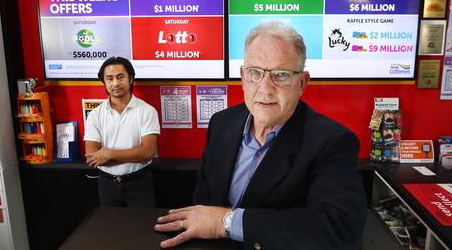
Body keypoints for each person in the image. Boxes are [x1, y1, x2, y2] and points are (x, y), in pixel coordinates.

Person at [155, 21, 366, 249]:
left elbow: (339, 229)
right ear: (243, 76)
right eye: (255, 72)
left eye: (281, 74)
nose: (265, 88)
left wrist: (226, 222)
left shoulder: (332, 142)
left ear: (302, 82)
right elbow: (204, 204)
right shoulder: (221, 123)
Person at [84, 56, 160, 207]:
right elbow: (93, 157)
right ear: (104, 82)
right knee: (111, 229)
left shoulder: (147, 111)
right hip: (107, 184)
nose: (115, 83)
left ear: (130, 78)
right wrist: (134, 155)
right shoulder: (95, 115)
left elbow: (148, 152)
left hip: (139, 182)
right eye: (109, 79)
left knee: (142, 227)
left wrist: (109, 154)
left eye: (120, 77)